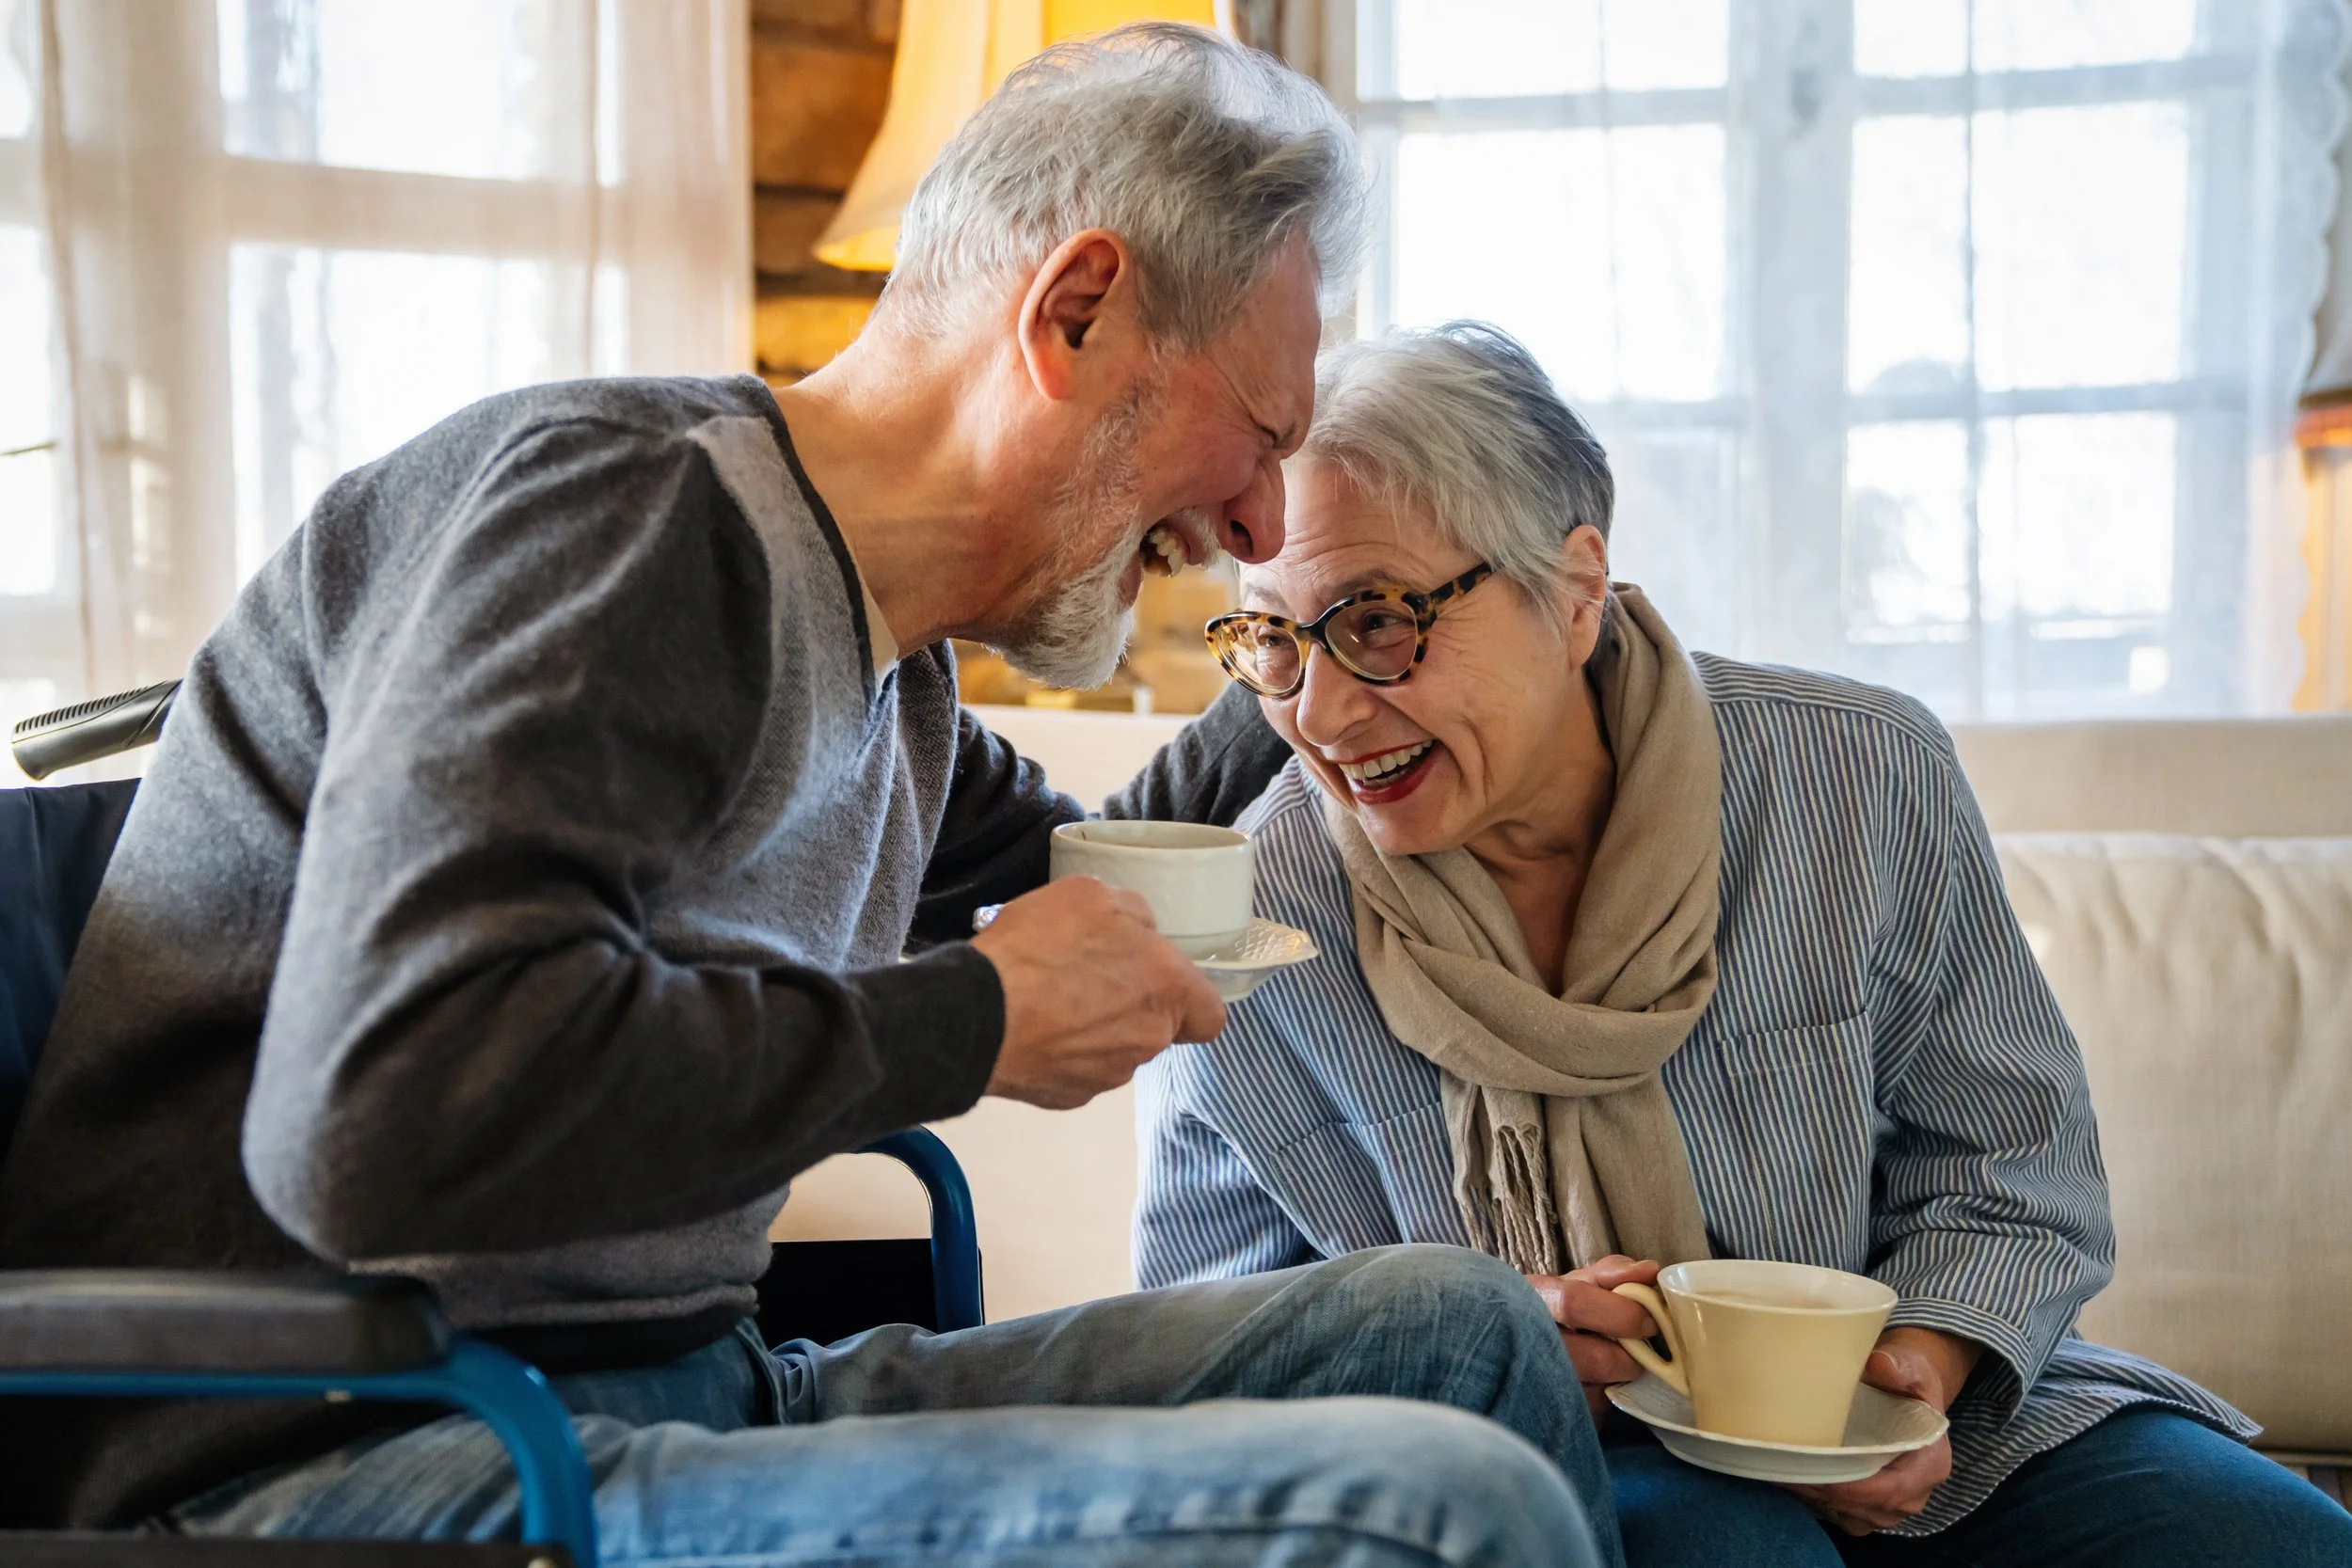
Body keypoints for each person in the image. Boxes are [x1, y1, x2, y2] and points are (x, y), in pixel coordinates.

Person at [0, 33, 1614, 1568]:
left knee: (1457, 1332)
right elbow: (374, 1116)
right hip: (352, 1448)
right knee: (1433, 1504)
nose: (1261, 522)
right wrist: (966, 1019)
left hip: (678, 1385)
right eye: (1258, 436)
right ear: (1080, 314)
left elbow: (1123, 858)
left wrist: (1422, 634)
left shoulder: (888, 665)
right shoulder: (626, 526)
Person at [1134, 321, 2352, 1568]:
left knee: (2277, 1541)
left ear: (1573, 592)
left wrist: (1914, 1375)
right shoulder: (1242, 910)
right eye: (1273, 639)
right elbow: (1200, 1346)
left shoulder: (1859, 775)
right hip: (1538, 1471)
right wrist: (1478, 1346)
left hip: (1951, 1439)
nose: (1320, 713)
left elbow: (2015, 1158)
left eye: (1379, 623)